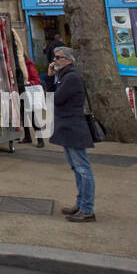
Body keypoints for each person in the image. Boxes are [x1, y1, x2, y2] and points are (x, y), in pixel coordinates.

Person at [44, 46, 96, 222]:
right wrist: (51, 77)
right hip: (68, 126)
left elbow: (56, 99)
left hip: (73, 126)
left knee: (82, 169)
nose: (55, 61)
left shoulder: (71, 77)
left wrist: (53, 80)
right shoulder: (64, 76)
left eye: (58, 58)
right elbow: (52, 95)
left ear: (68, 60)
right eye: (54, 57)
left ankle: (87, 208)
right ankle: (81, 204)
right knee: (77, 167)